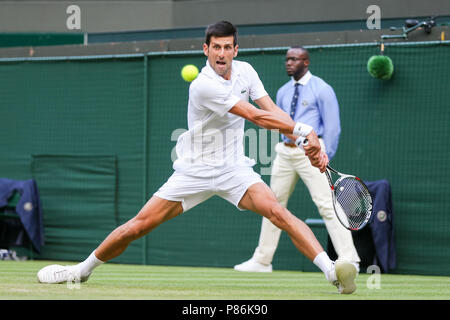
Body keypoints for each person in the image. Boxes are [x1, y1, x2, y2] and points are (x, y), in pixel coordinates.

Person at [36, 21, 357, 294]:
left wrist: (304, 140)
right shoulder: (203, 86)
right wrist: (305, 131)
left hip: (234, 169)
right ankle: (82, 269)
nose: (221, 53)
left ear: (235, 50)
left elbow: (272, 110)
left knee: (277, 211)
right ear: (206, 50)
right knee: (138, 227)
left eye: (227, 47)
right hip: (194, 171)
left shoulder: (245, 71)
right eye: (215, 47)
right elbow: (255, 117)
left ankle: (333, 272)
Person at [234, 47, 360, 273]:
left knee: (326, 204)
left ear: (306, 62)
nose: (289, 63)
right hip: (285, 150)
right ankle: (263, 261)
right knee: (271, 204)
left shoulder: (322, 89)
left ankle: (350, 259)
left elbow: (333, 126)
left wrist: (324, 153)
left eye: (295, 59)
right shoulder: (283, 91)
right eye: (287, 59)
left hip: (312, 151)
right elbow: (277, 121)